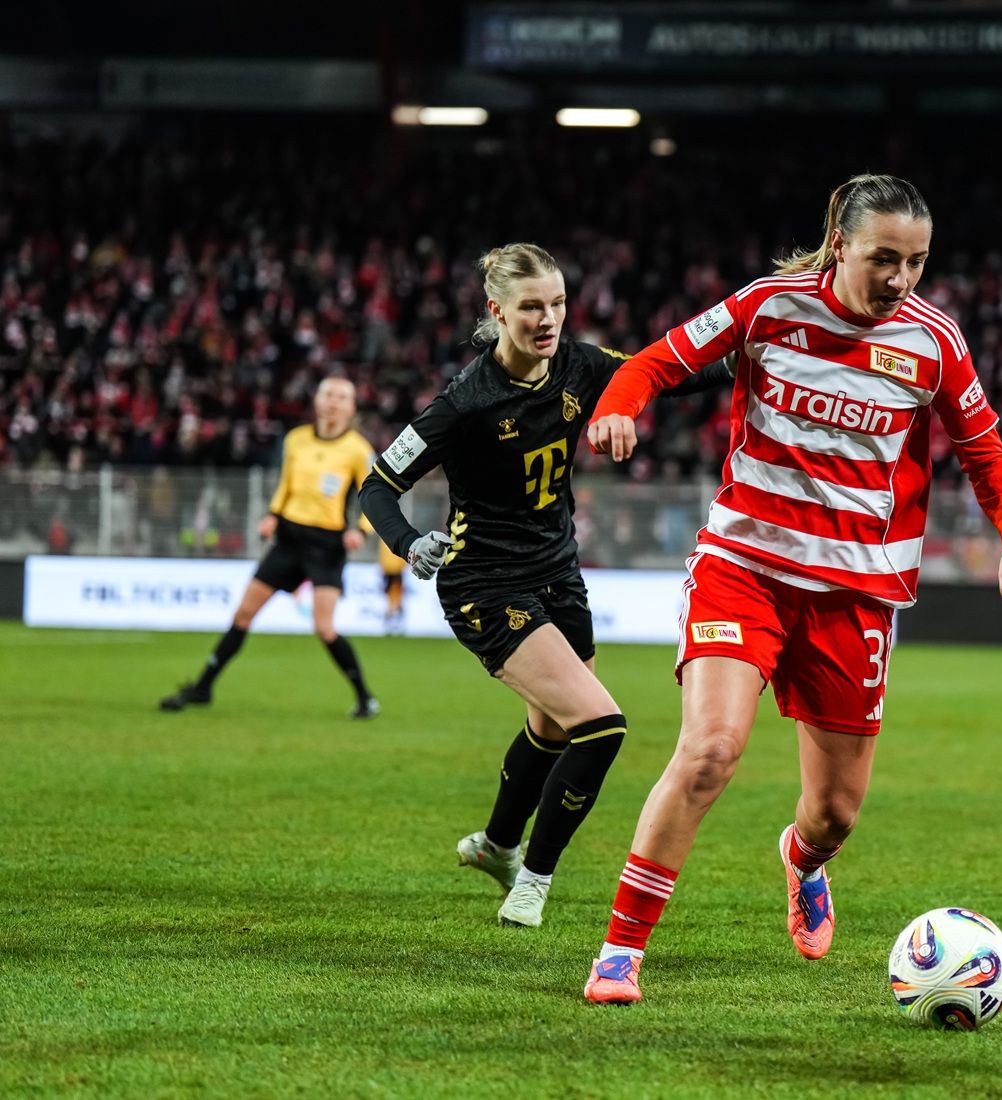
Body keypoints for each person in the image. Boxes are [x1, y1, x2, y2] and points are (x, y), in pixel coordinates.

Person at [579, 173, 1002, 1006]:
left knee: (833, 813)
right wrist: (619, 407)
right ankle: (620, 951)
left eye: (917, 262)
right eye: (883, 259)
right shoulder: (770, 306)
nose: (900, 279)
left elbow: (985, 453)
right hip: (744, 568)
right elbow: (654, 362)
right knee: (711, 749)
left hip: (856, 594)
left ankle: (802, 860)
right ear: (841, 245)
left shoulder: (935, 343)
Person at [358, 243, 729, 929]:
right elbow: (377, 483)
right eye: (532, 306)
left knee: (551, 727)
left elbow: (665, 374)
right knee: (602, 726)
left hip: (558, 573)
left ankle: (498, 845)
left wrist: (752, 353)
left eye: (557, 303)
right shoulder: (464, 402)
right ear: (497, 310)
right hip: (484, 584)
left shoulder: (580, 365)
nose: (549, 318)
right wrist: (409, 544)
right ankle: (533, 880)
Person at [159, 376, 380, 719]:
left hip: (326, 546)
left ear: (352, 407)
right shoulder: (296, 440)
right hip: (289, 540)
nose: (333, 402)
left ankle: (365, 698)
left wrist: (361, 532)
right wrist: (273, 515)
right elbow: (285, 485)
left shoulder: (358, 449)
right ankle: (203, 687)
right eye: (328, 395)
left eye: (341, 397)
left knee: (324, 628)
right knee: (243, 615)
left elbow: (376, 496)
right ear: (317, 401)